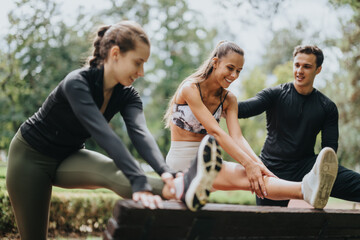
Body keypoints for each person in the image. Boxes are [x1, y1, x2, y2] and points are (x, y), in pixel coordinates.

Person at [6, 21, 221, 240]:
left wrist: (166, 171)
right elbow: (103, 133)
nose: (142, 72)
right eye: (138, 63)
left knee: (113, 170)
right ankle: (180, 186)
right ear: (115, 53)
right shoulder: (77, 83)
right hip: (30, 159)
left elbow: (140, 134)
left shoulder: (128, 95)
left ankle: (181, 188)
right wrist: (138, 180)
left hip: (68, 157)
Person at [164, 41, 338, 210]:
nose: (234, 76)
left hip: (209, 161)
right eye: (230, 68)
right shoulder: (190, 88)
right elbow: (215, 132)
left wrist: (259, 164)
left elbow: (237, 137)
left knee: (257, 175)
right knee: (249, 175)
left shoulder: (228, 99)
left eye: (238, 71)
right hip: (182, 162)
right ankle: (306, 189)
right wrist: (248, 164)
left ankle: (309, 190)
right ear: (215, 63)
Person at [237, 45, 360, 207]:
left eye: (307, 66)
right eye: (297, 65)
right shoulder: (275, 94)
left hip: (307, 167)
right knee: (268, 226)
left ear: (318, 69)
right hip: (272, 169)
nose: (300, 71)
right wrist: (212, 101)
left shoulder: (327, 107)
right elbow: (243, 109)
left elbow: (329, 150)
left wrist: (321, 175)